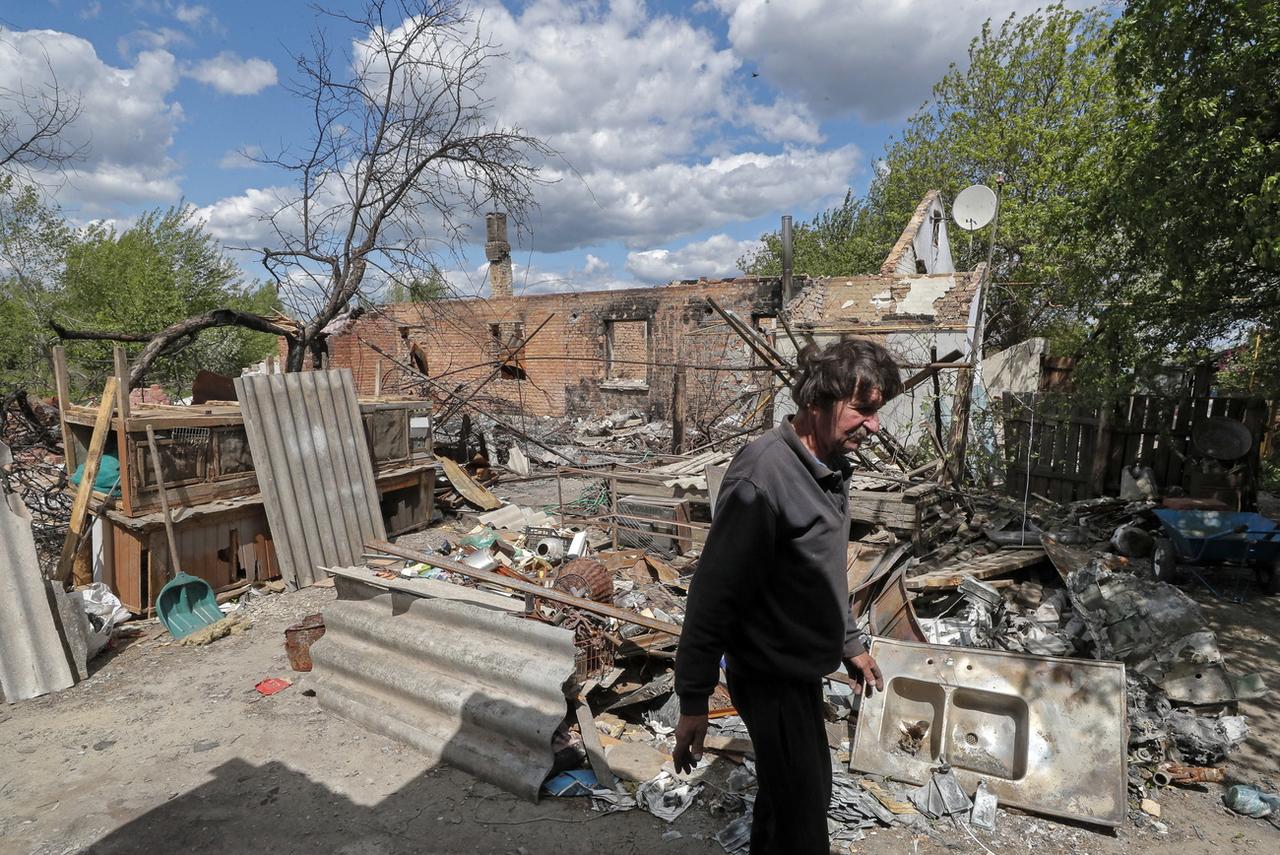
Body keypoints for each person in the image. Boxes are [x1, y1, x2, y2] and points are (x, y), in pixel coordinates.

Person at [672, 338, 903, 855]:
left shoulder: (829, 466)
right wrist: (694, 699)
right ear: (816, 403)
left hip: (799, 670)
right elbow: (712, 595)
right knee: (805, 811)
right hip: (768, 675)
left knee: (786, 798)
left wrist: (849, 642)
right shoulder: (763, 477)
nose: (874, 426)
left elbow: (820, 572)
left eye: (877, 411)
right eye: (863, 410)